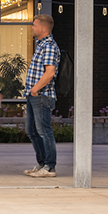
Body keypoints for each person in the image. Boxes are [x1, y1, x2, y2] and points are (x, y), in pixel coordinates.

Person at [23, 12, 61, 178]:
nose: (32, 27)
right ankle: (42, 164)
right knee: (32, 130)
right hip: (34, 95)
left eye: (34, 25)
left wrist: (35, 89)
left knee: (43, 131)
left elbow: (50, 72)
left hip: (42, 95)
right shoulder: (41, 45)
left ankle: (50, 167)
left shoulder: (49, 46)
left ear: (44, 28)